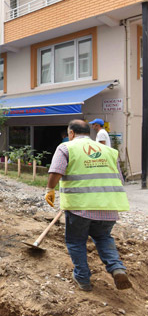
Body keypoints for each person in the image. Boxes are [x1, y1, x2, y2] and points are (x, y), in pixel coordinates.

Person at [45, 119, 131, 292]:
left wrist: (50, 189)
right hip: (108, 206)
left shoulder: (66, 147)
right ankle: (117, 268)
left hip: (80, 206)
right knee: (103, 237)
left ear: (71, 133)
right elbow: (119, 180)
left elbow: (56, 171)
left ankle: (83, 279)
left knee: (76, 242)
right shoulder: (109, 151)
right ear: (88, 133)